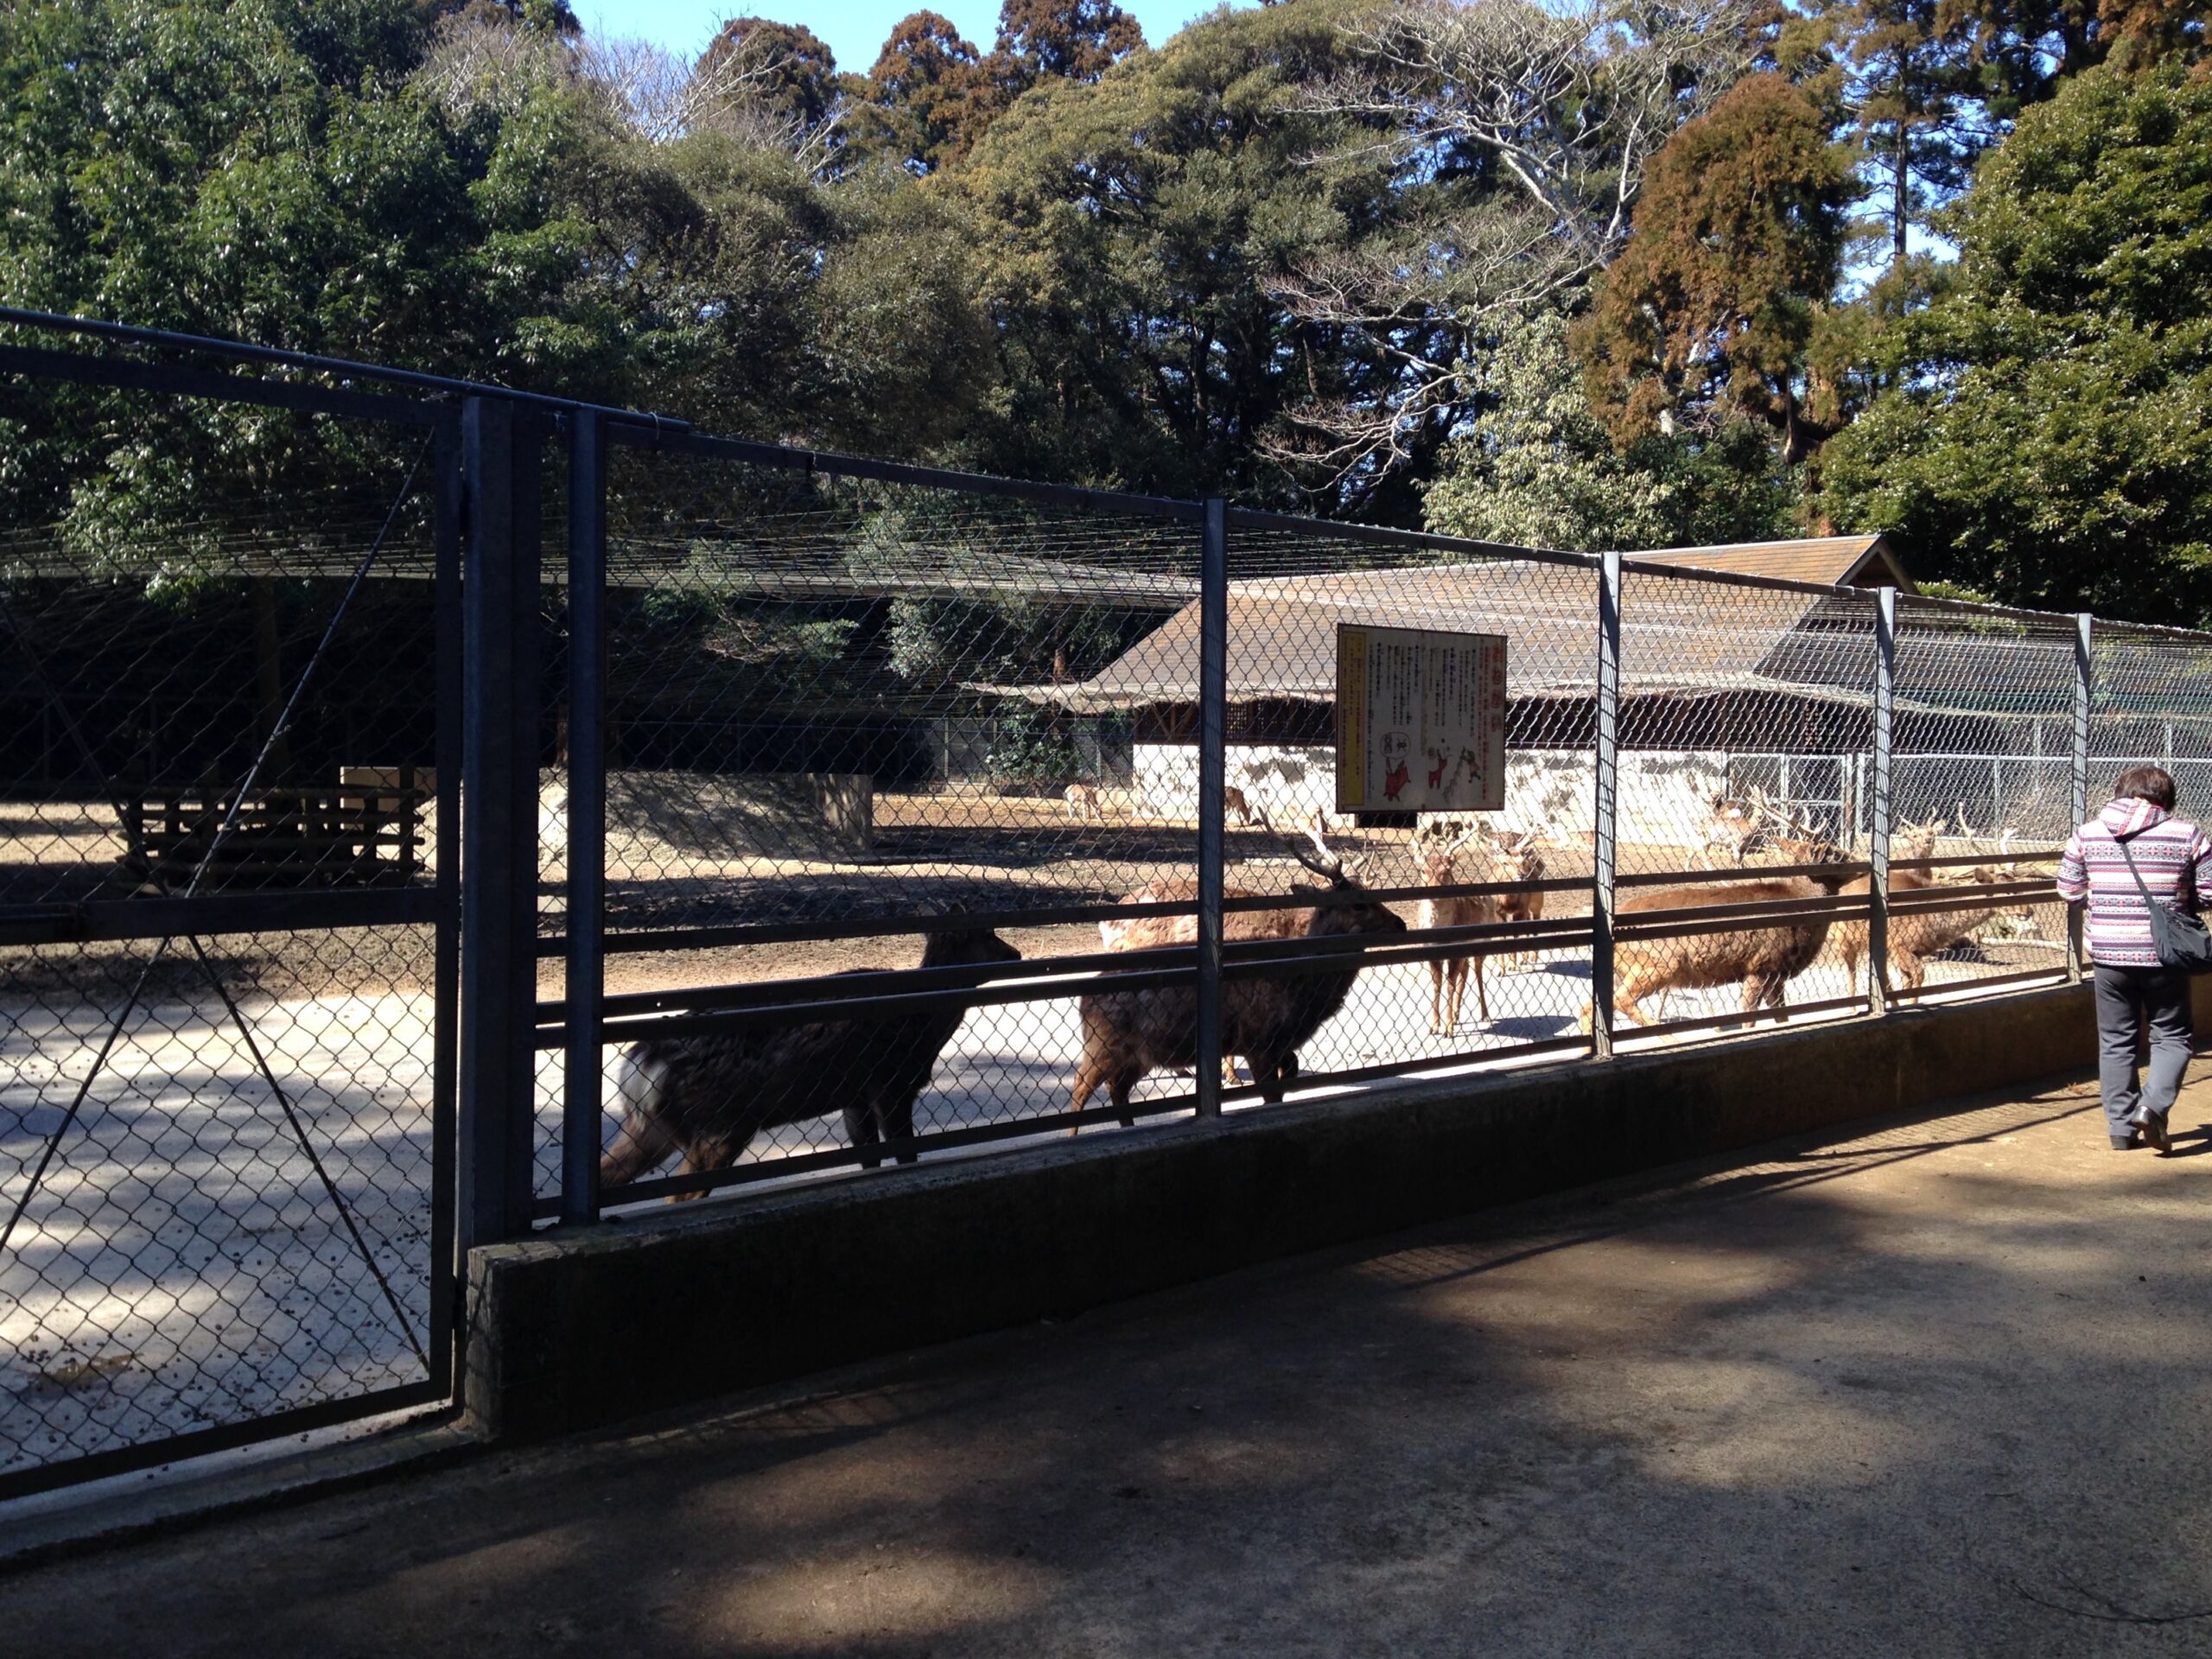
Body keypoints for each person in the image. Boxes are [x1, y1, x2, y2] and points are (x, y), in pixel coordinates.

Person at [2056, 766, 2212, 1151]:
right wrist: (2178, 901)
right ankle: (2153, 1107)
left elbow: (2068, 889)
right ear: (2166, 799)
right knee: (2172, 1035)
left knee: (2115, 1041)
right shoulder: (2187, 834)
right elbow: (2209, 893)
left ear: (2120, 792)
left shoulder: (2087, 833)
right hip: (2166, 954)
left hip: (2108, 954)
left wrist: (2105, 901)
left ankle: (2121, 1131)